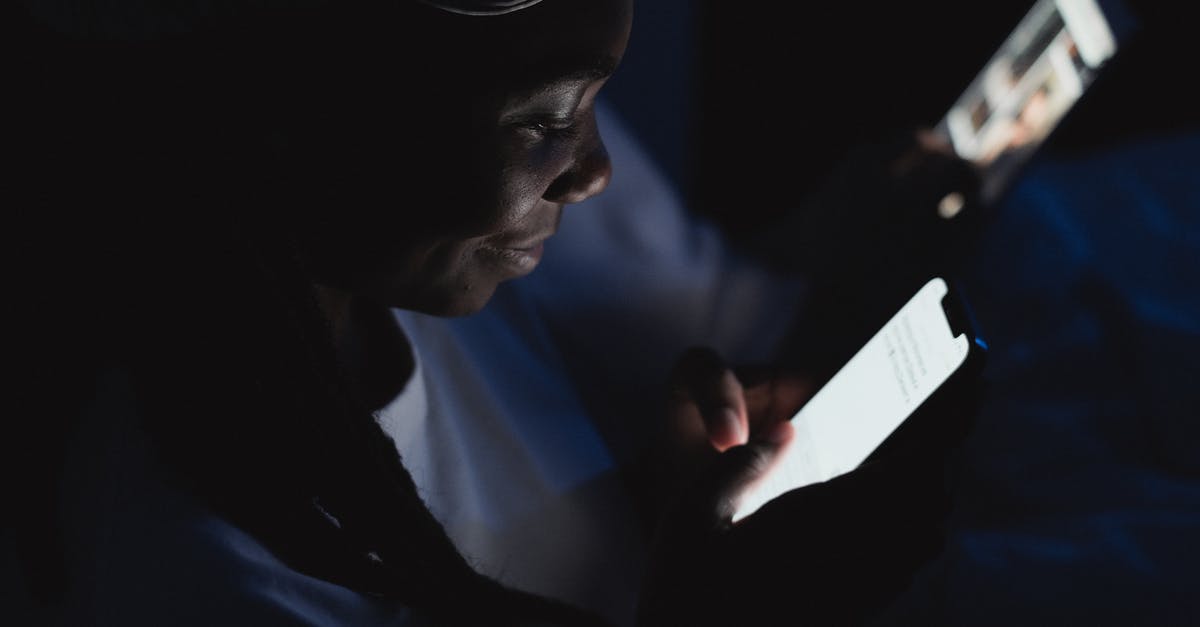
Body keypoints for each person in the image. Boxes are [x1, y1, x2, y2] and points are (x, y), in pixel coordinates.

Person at [6, 0, 971, 625]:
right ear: (315, 116)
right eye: (549, 123)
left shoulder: (412, 290)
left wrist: (653, 498)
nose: (595, 174)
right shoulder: (206, 583)